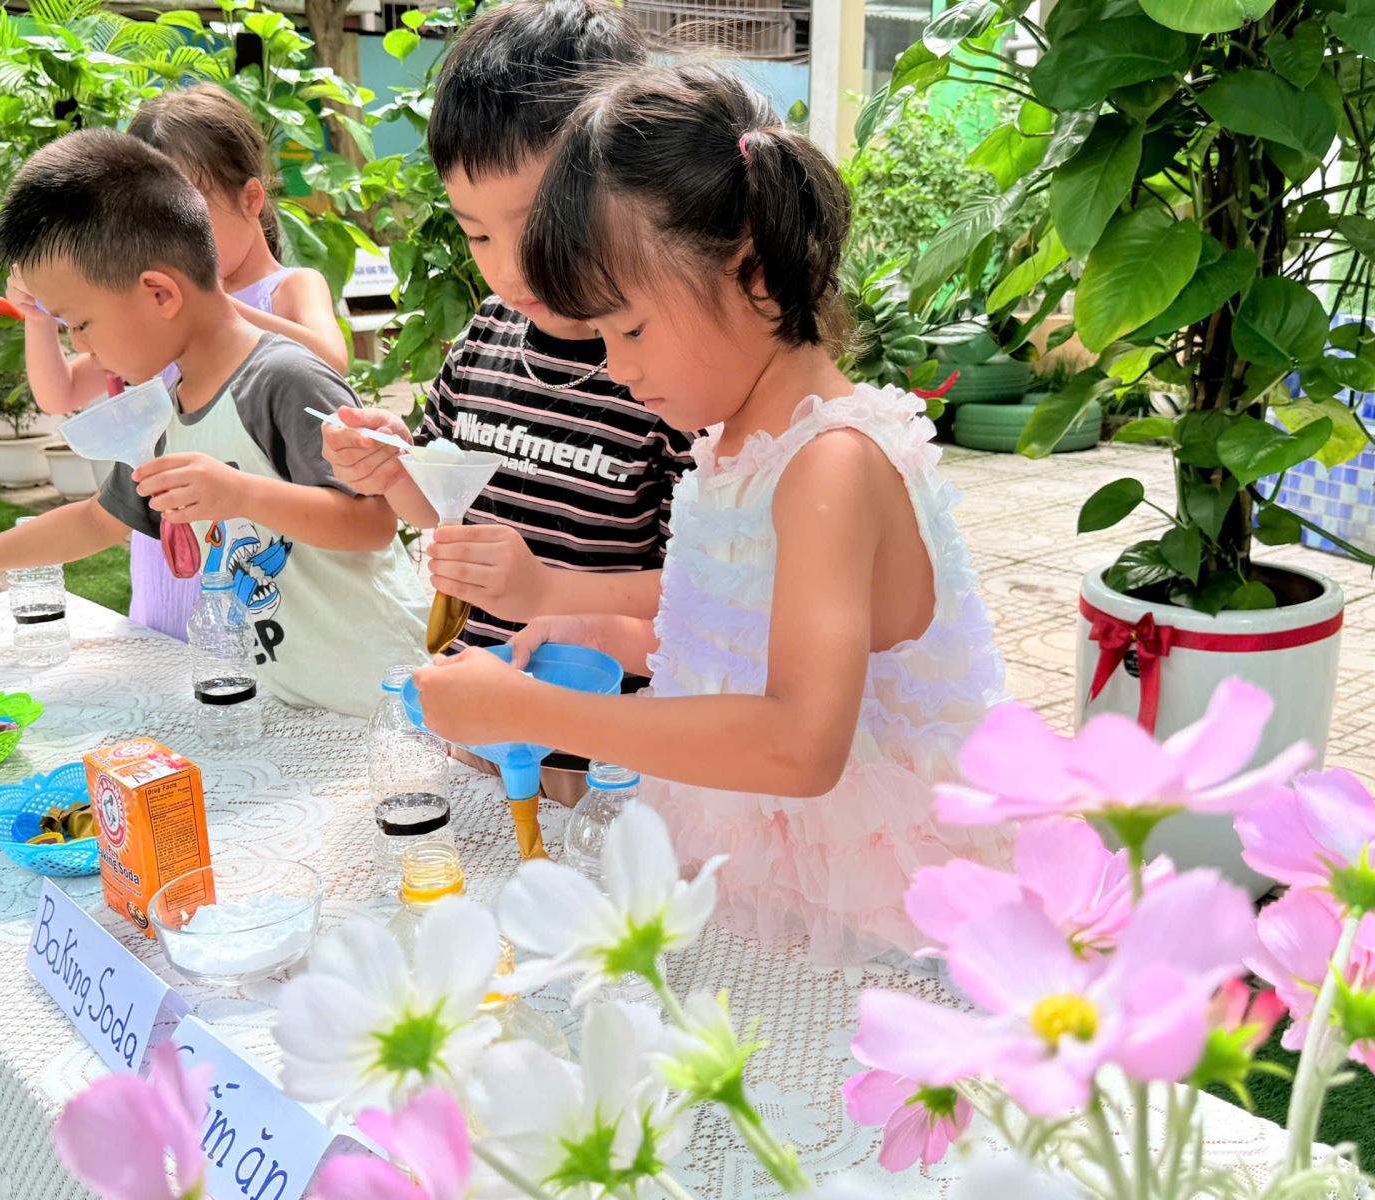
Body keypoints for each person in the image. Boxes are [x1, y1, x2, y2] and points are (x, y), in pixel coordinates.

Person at [411, 63, 1010, 967]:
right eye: (601, 335)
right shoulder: (729, 443)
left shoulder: (830, 463)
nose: (617, 368)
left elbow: (800, 743)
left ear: (754, 274)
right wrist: (599, 632)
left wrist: (536, 711)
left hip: (871, 896)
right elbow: (732, 636)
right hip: (764, 861)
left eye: (631, 330)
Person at [0, 129, 427, 719]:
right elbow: (98, 520)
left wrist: (241, 495)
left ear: (159, 294)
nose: (82, 347)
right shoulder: (166, 411)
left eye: (81, 325)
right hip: (295, 703)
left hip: (386, 698)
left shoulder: (283, 378)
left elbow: (372, 523)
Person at [320, 0, 695, 801]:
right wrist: (392, 471)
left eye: (533, 226)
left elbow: (703, 594)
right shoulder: (488, 334)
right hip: (479, 729)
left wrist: (547, 590)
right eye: (478, 234)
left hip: (606, 762)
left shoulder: (671, 376)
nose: (508, 269)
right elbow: (443, 509)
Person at [7, 82, 347, 640]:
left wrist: (210, 303)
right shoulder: (151, 315)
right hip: (162, 560)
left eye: (186, 212)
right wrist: (42, 314)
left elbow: (330, 360)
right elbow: (59, 393)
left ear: (251, 199)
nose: (164, 235)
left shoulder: (287, 287)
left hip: (251, 565)